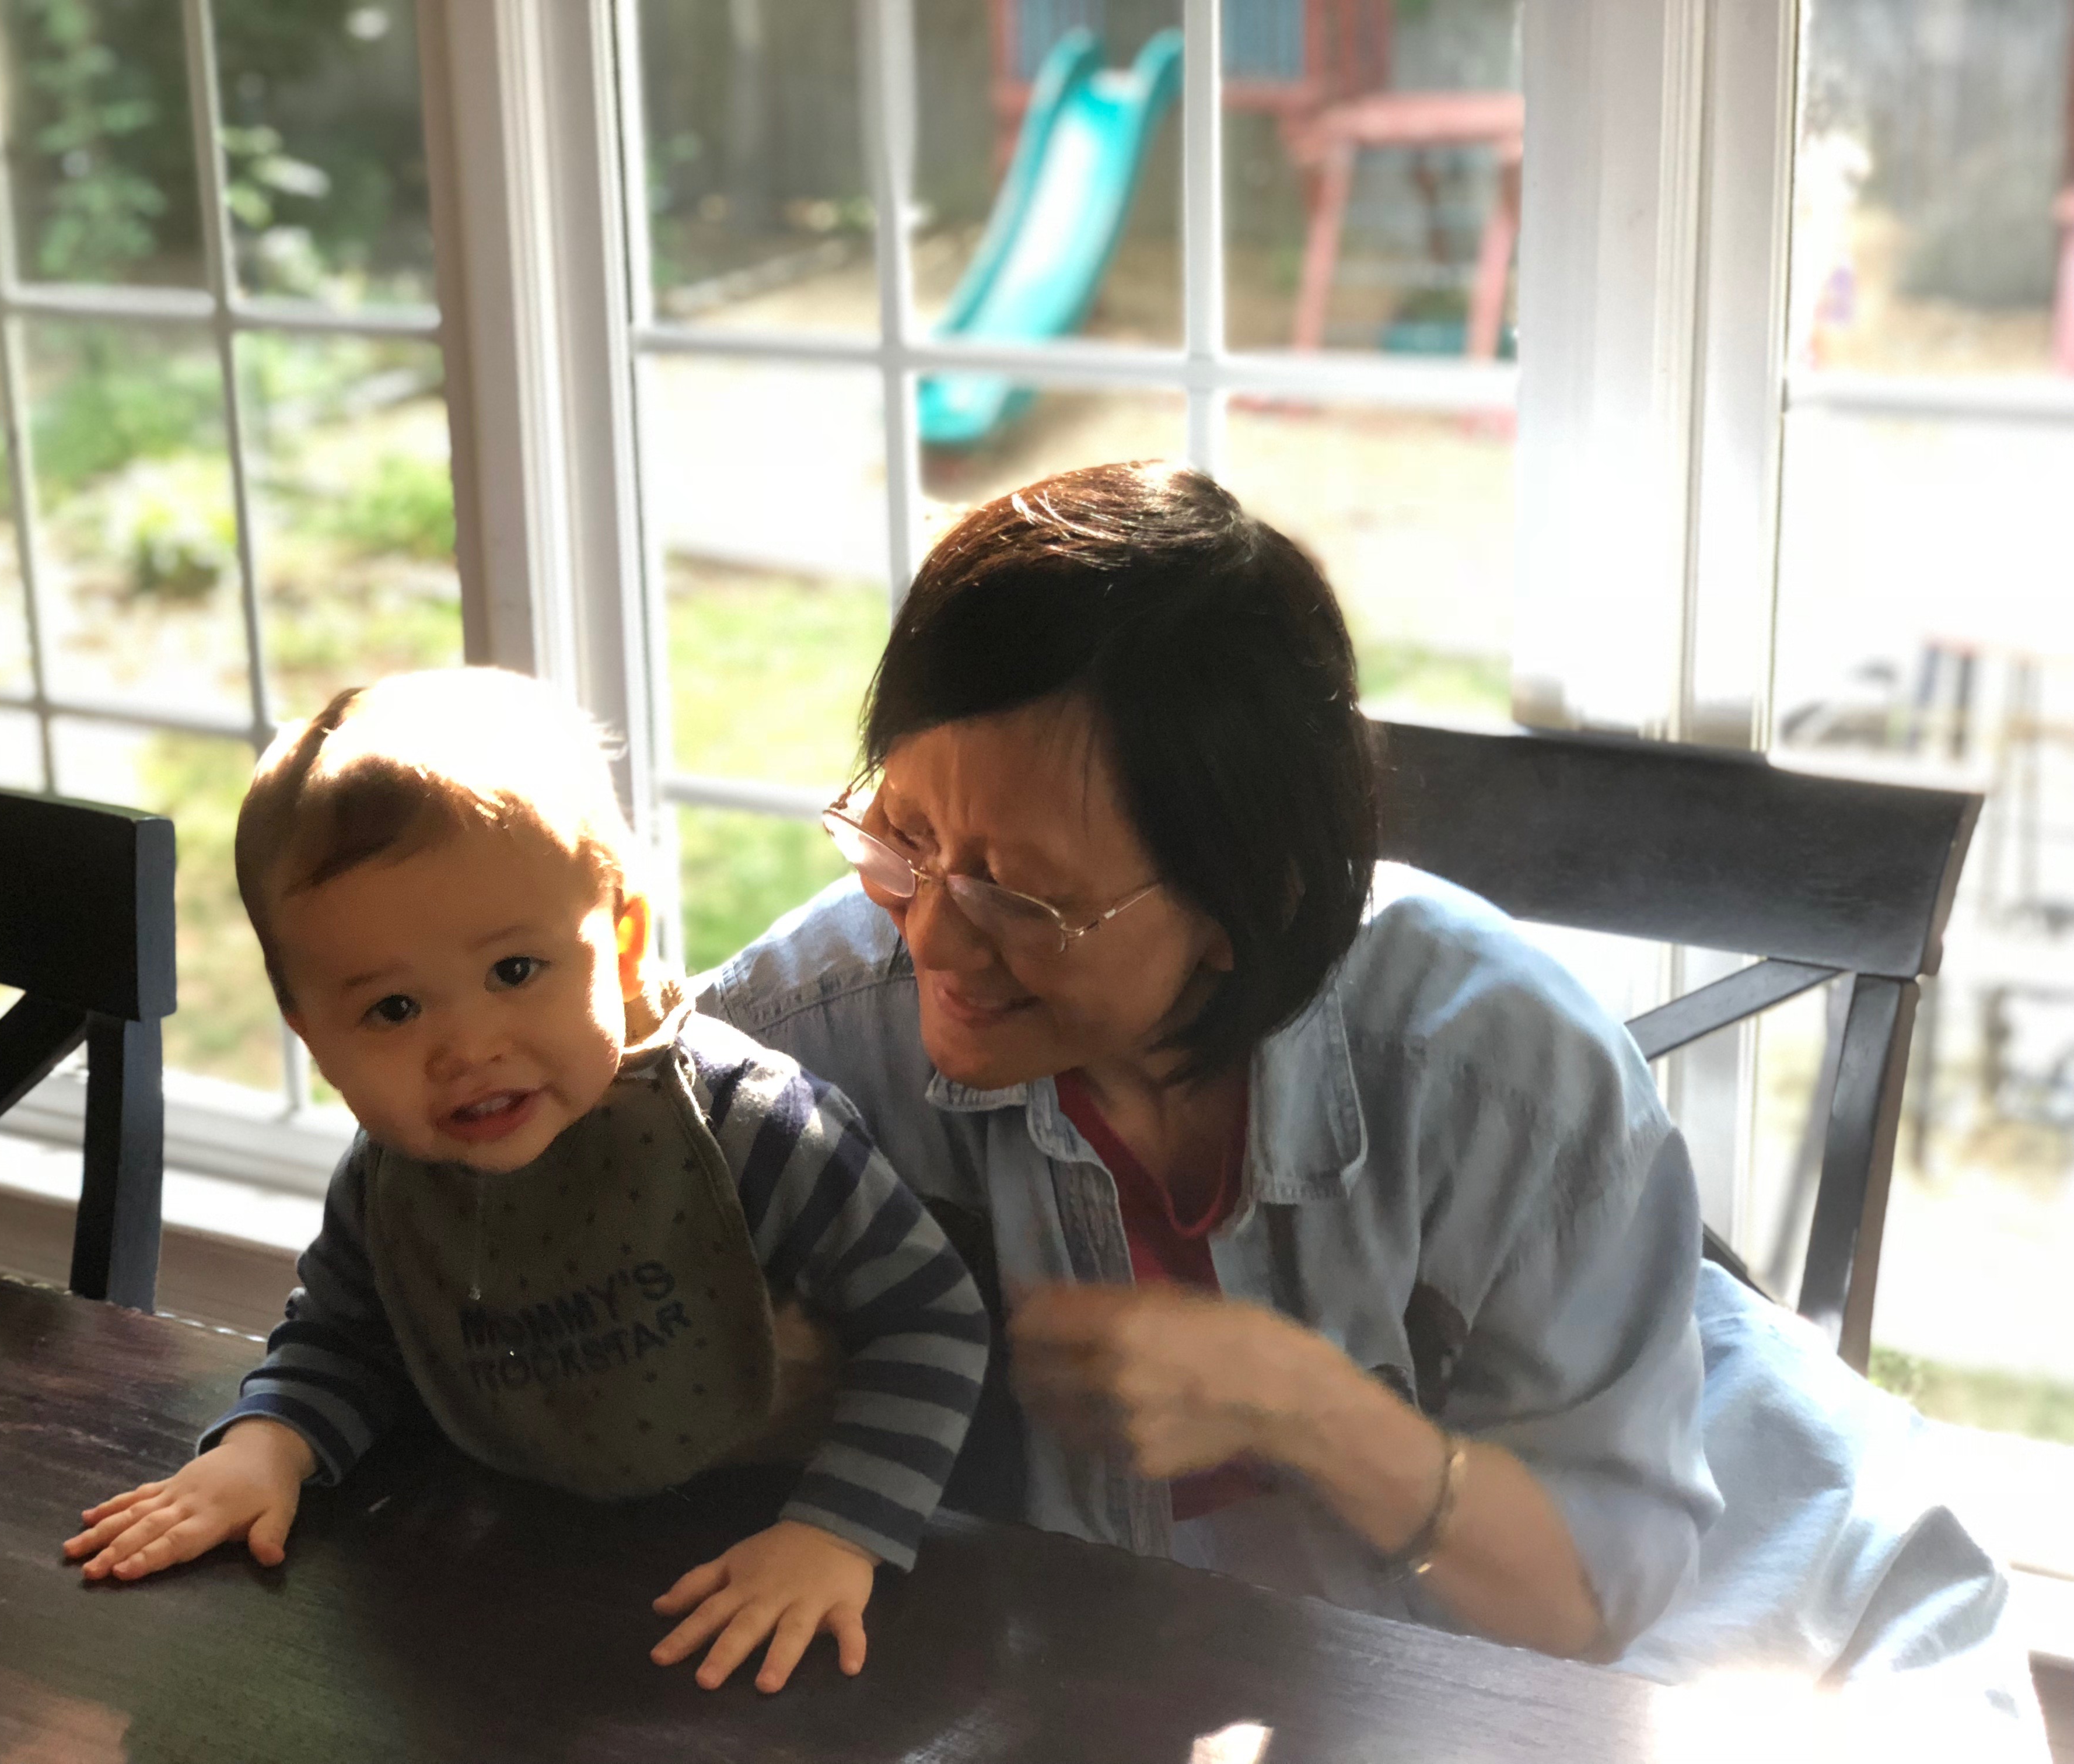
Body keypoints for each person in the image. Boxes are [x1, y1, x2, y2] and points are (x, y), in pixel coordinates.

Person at [697, 463, 2025, 1718]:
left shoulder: (1509, 1078)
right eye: (904, 833)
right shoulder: (817, 1027)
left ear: (1245, 902)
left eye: (1022, 895)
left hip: (1736, 1593)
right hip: (1213, 1646)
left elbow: (1591, 1599)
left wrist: (1302, 1402)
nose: (930, 936)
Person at [61, 668, 989, 1696]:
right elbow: (347, 1336)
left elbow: (932, 1320)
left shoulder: (748, 1128)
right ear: (312, 1036)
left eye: (514, 972)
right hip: (515, 1584)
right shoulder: (391, 1181)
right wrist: (269, 1442)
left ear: (621, 944)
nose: (468, 1049)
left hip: (775, 1569)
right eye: (392, 1010)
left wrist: (839, 1533)